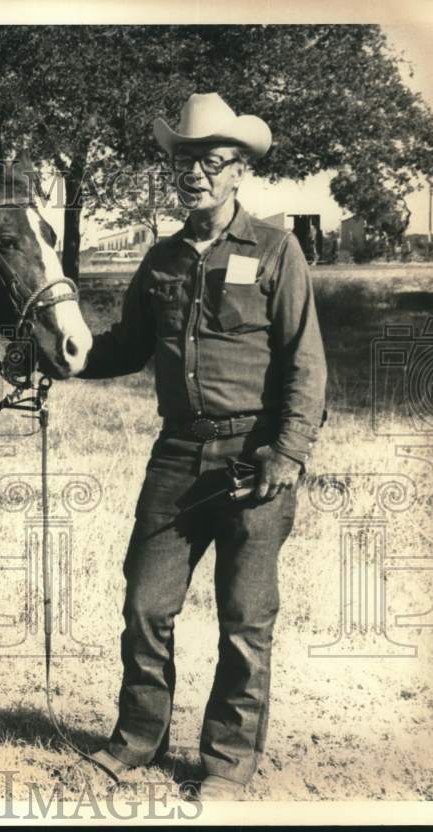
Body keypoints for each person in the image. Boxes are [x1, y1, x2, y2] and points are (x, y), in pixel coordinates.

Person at [79, 93, 327, 800]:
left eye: (212, 162)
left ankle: (225, 764)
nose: (196, 175)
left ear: (238, 172)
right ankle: (136, 740)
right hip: (176, 458)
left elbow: (306, 362)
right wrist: (61, 359)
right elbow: (124, 348)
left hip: (255, 458)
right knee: (145, 607)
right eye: (186, 161)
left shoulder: (277, 251)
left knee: (245, 623)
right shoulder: (159, 260)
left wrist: (289, 453)